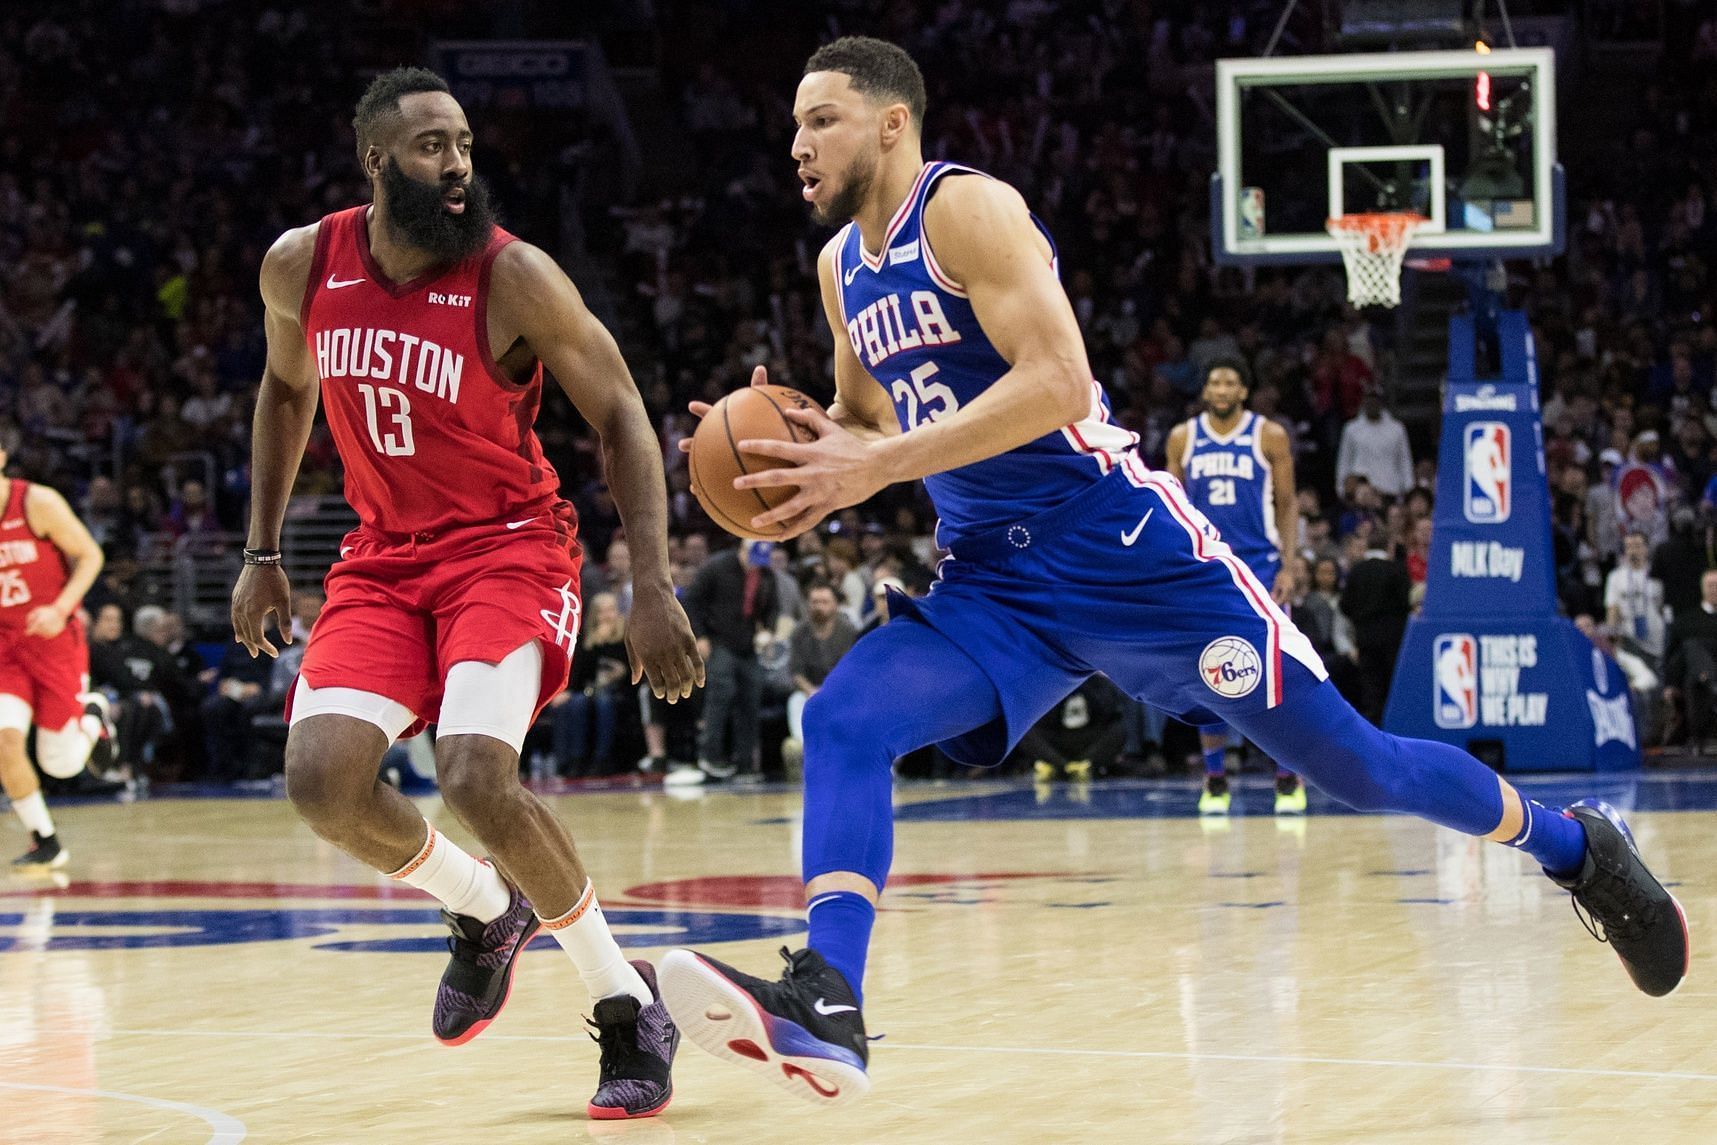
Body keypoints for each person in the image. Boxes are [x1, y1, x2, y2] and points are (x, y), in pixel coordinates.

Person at [655, 37, 1688, 1108]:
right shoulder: (838, 272)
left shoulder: (965, 211)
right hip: (997, 587)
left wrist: (875, 457)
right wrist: (800, 450)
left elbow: (1059, 382)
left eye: (819, 119)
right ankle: (830, 998)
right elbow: (869, 422)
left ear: (889, 123)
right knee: (843, 718)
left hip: (1128, 553)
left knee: (1359, 768)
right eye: (790, 125)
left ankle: (1575, 847)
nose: (796, 145)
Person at [228, 67, 701, 1120]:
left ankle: (625, 1003)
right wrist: (262, 548)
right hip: (384, 557)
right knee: (319, 779)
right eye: (433, 147)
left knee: (477, 773)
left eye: (466, 147)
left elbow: (622, 411)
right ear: (374, 159)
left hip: (509, 549)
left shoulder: (513, 275)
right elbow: (286, 386)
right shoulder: (301, 264)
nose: (457, 167)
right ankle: (486, 911)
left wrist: (653, 580)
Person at [1165, 357, 1305, 815]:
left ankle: (1286, 775)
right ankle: (1215, 778)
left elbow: (1286, 504)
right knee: (1207, 671)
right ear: (1205, 391)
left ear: (1243, 391)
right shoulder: (1182, 438)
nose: (1222, 389)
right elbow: (1175, 511)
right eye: (1215, 382)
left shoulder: (1270, 435)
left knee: (1275, 673)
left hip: (1262, 568)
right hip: (1207, 570)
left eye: (1230, 382)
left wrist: (1290, 563)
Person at [0, 435, 114, 868]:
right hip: (5, 647)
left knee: (61, 764)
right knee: (5, 740)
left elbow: (89, 555)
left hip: (52, 642)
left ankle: (93, 716)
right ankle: (45, 840)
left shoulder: (36, 502)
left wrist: (60, 607)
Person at [669, 539, 779, 786]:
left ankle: (745, 763)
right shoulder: (716, 567)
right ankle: (710, 757)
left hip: (748, 645)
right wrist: (699, 636)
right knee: (721, 693)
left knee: (751, 698)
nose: (755, 567)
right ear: (742, 550)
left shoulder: (766, 574)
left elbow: (772, 608)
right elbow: (691, 601)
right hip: (719, 641)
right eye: (752, 560)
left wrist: (769, 631)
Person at [783, 582, 858, 776]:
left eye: (824, 602)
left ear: (835, 605)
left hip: (840, 691)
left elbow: (851, 670)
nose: (819, 607)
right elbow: (795, 671)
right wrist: (810, 690)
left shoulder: (848, 630)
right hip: (809, 690)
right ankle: (803, 749)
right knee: (795, 702)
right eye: (815, 602)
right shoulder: (800, 632)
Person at [1335, 386, 1414, 498]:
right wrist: (1342, 489)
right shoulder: (1351, 429)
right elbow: (1344, 462)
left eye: (1375, 400)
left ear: (1381, 402)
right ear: (1363, 401)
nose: (1372, 403)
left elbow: (1404, 460)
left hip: (1389, 489)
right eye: (1369, 399)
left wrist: (1408, 488)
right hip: (1361, 493)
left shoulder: (1397, 429)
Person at [1605, 530, 1668, 664]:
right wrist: (1612, 640)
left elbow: (1664, 608)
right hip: (1629, 642)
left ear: (1646, 549)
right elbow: (1612, 609)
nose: (1633, 551)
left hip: (1657, 642)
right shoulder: (1615, 577)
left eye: (1637, 546)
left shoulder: (1658, 575)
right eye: (1629, 547)